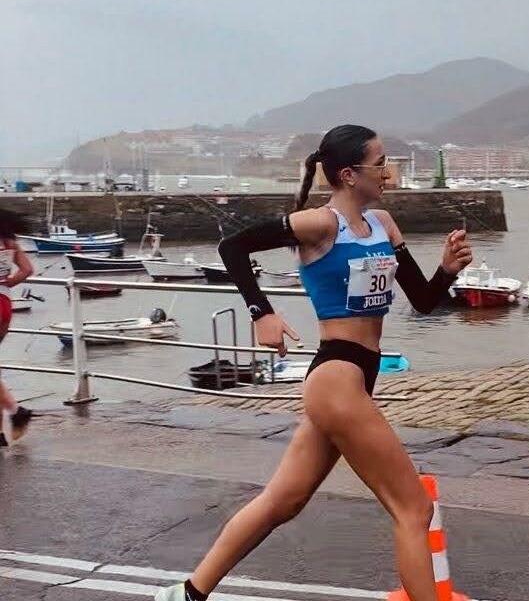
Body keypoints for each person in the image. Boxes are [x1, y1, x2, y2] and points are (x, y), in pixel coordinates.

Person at [155, 125, 473, 601]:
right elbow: (232, 248)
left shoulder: (384, 224)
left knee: (282, 501)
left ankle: (186, 594)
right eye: (381, 162)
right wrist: (262, 313)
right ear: (348, 174)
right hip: (336, 376)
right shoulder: (320, 224)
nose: (389, 172)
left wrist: (447, 270)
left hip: (357, 376)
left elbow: (424, 302)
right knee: (414, 508)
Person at [0, 209, 35, 447]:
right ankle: (4, 428)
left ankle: (15, 410)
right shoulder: (8, 241)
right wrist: (9, 280)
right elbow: (27, 269)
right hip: (4, 303)